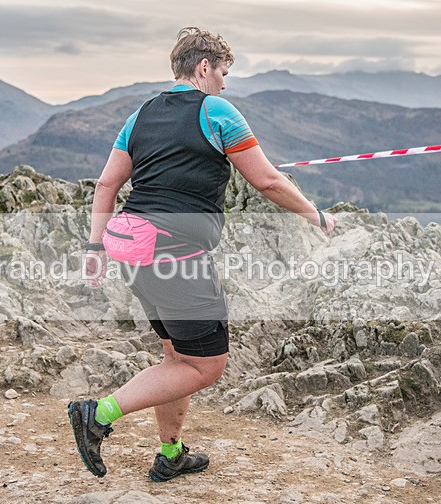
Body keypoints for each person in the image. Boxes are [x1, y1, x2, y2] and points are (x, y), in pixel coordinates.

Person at [68, 27, 336, 481]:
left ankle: (170, 454)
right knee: (207, 365)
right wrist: (316, 215)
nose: (225, 83)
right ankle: (99, 414)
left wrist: (95, 245)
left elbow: (107, 183)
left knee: (178, 358)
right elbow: (268, 180)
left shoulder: (140, 115)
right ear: (204, 67)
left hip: (133, 249)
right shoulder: (217, 111)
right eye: (223, 73)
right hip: (176, 254)